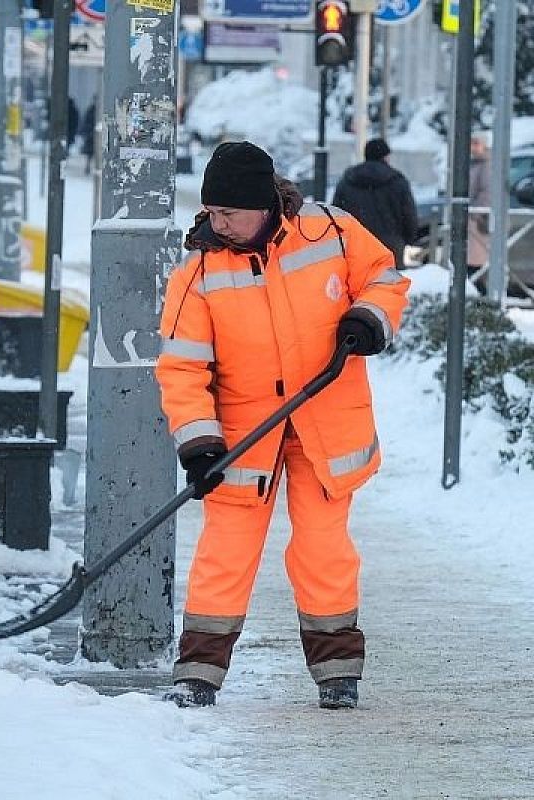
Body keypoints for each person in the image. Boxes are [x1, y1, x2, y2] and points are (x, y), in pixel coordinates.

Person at [155, 141, 410, 710]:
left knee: (323, 547)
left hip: (326, 423)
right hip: (245, 431)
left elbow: (385, 278)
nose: (218, 223)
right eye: (212, 213)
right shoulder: (198, 271)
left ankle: (337, 670)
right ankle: (199, 669)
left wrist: (368, 319)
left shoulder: (331, 233)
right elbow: (182, 365)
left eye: (229, 214)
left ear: (263, 205)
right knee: (226, 548)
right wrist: (197, 441)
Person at [332, 138, 419, 269]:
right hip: (390, 246)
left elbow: (336, 213)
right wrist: (408, 238)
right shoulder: (397, 181)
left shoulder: (348, 180)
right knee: (388, 286)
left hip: (356, 245)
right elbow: (408, 214)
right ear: (385, 157)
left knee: (358, 286)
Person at [467, 133, 491, 274]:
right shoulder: (475, 164)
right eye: (472, 143)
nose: (473, 148)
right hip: (475, 218)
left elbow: (487, 192)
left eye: (477, 143)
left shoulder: (486, 165)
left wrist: (475, 213)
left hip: (479, 220)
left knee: (477, 260)